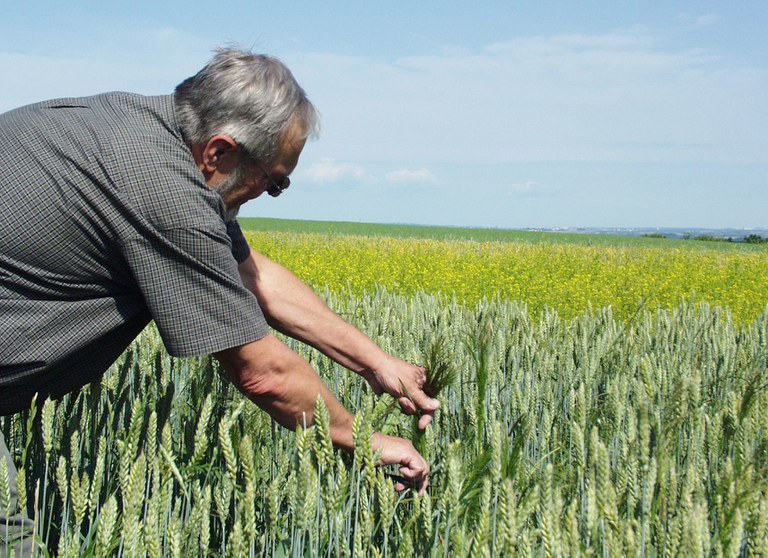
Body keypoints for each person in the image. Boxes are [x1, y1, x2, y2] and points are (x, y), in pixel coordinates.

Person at [0, 47, 439, 556]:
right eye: (274, 181)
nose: (272, 194)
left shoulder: (147, 130)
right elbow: (261, 371)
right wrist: (364, 441)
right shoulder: (163, 194)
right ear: (220, 153)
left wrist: (377, 364)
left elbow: (253, 275)